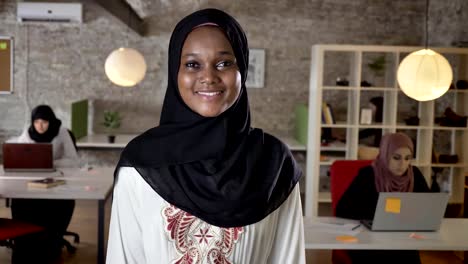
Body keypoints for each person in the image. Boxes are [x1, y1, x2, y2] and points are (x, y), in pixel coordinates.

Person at [106, 8, 305, 264]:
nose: (209, 77)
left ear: (242, 70)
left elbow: (289, 260)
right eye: (192, 64)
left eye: (224, 63)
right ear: (174, 73)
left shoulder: (275, 164)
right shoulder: (140, 162)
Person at [336, 132, 430, 264]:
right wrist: (378, 216)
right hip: (368, 239)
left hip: (403, 238)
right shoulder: (367, 175)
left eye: (408, 158)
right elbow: (342, 209)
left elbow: (428, 206)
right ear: (385, 155)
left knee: (406, 253)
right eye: (396, 158)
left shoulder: (415, 176)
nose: (402, 164)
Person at [8, 104, 79, 264]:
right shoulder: (28, 132)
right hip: (31, 181)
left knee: (60, 204)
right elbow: (19, 154)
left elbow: (73, 161)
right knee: (21, 202)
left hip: (56, 180)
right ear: (33, 122)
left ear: (50, 121)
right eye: (37, 122)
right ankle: (26, 245)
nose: (40, 126)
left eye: (44, 122)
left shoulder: (62, 132)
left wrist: (50, 162)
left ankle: (51, 245)